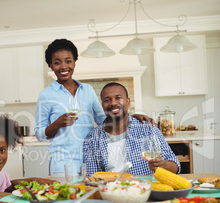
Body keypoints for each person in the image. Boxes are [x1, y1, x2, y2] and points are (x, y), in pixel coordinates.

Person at [35, 38, 155, 176]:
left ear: (74, 62)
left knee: (90, 196)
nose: (63, 66)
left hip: (92, 161)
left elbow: (104, 119)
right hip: (63, 164)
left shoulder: (87, 90)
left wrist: (131, 116)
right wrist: (57, 124)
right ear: (50, 65)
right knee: (68, 197)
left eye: (68, 61)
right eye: (57, 62)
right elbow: (39, 134)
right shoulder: (46, 95)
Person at [83, 82, 180, 176]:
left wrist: (164, 165)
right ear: (102, 105)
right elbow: (92, 177)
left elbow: (176, 166)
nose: (113, 103)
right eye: (107, 100)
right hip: (110, 190)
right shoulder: (92, 138)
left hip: (145, 189)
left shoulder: (148, 128)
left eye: (118, 98)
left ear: (128, 102)